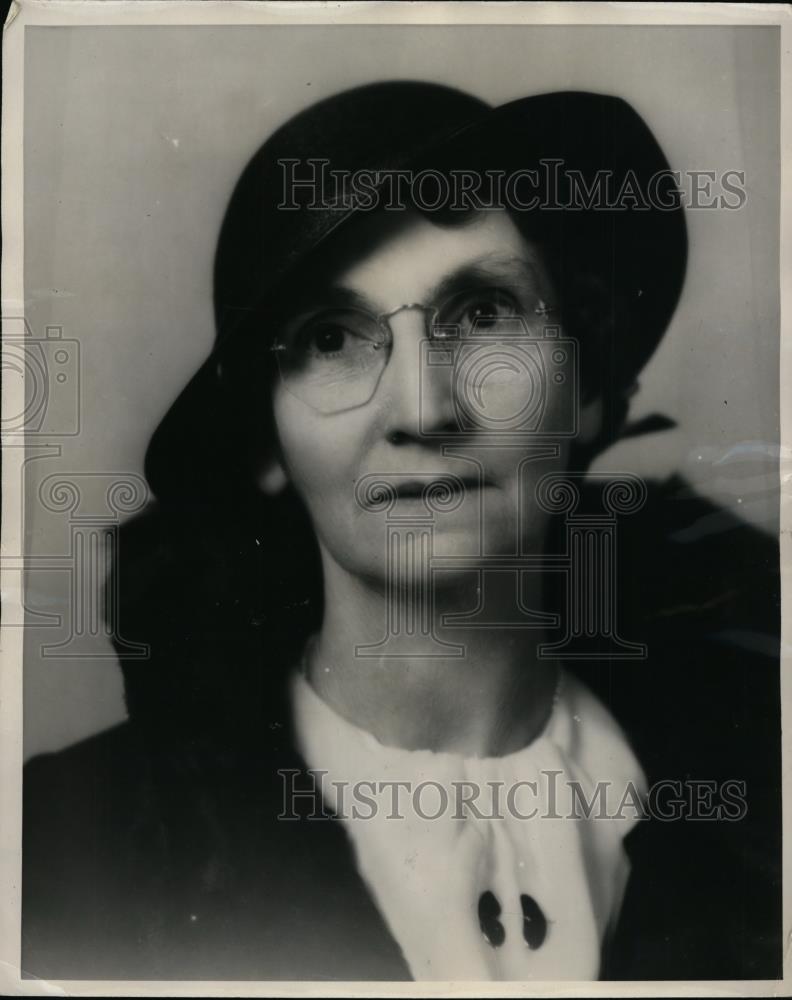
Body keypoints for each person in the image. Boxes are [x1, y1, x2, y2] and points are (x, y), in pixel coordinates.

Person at [22, 82, 781, 982]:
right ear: (267, 439)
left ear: (584, 392)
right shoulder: (58, 850)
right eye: (332, 338)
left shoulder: (765, 804)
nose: (423, 408)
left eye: (486, 315)